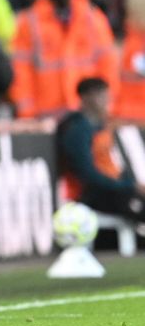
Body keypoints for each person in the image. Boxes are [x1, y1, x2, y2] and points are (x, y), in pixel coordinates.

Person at [9, 0, 118, 118]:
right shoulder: (30, 22)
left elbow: (108, 64)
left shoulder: (92, 19)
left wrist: (107, 104)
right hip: (46, 112)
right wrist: (26, 111)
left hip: (86, 109)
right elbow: (20, 70)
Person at [57, 78, 145, 223]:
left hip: (115, 188)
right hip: (94, 194)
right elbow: (88, 175)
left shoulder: (102, 126)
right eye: (101, 95)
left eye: (107, 95)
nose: (106, 101)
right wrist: (130, 187)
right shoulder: (78, 129)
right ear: (85, 97)